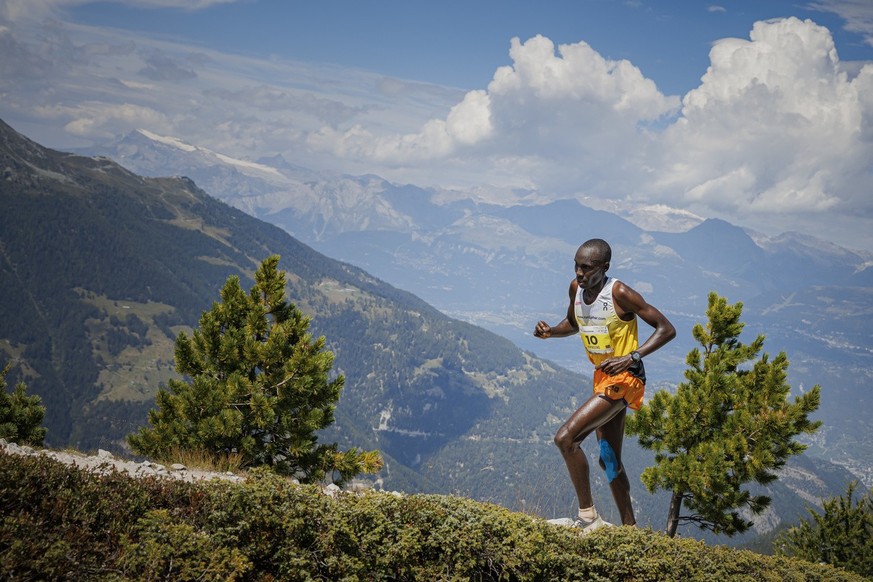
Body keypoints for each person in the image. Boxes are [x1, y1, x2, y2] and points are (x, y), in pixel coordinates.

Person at [534, 238, 675, 532]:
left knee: (566, 438)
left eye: (586, 268)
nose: (579, 273)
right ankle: (630, 530)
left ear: (604, 267)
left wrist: (630, 356)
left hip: (627, 378)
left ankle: (587, 517)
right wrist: (550, 332)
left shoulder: (620, 293)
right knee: (608, 459)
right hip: (603, 377)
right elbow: (573, 324)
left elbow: (667, 329)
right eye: (576, 265)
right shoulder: (576, 289)